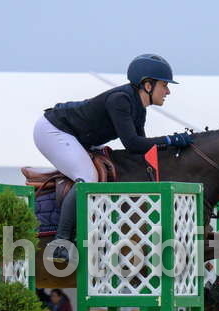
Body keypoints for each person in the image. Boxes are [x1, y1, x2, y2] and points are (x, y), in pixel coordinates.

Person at [33, 54, 193, 263]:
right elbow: (132, 143)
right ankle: (60, 243)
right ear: (147, 85)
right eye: (164, 85)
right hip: (54, 130)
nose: (168, 91)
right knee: (88, 178)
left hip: (81, 137)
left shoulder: (139, 109)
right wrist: (170, 140)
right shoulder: (120, 100)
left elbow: (140, 150)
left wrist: (172, 148)